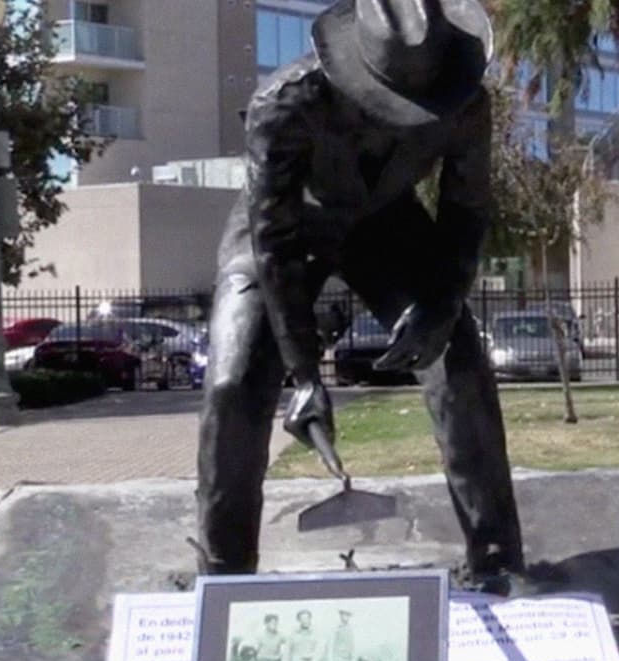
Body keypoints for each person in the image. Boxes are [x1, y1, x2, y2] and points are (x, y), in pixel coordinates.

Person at [195, 0, 523, 578]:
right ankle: (223, 570)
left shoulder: (466, 100)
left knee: (461, 362)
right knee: (234, 377)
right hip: (286, 227)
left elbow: (465, 212)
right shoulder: (285, 103)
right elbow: (275, 244)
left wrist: (441, 306)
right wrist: (303, 375)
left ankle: (496, 558)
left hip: (386, 225)